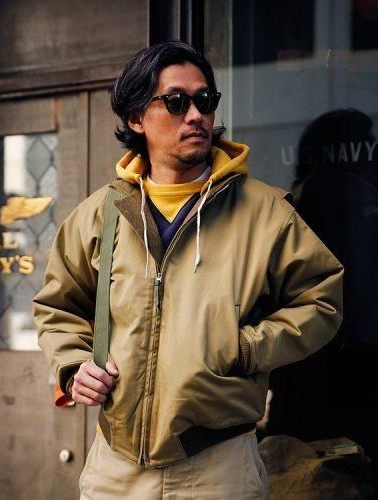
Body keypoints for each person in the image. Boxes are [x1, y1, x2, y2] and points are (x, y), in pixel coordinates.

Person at [33, 41, 344, 499]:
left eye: (205, 100)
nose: (196, 115)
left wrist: (245, 348)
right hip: (114, 469)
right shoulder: (100, 214)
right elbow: (58, 307)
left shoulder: (266, 213)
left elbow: (321, 300)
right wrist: (74, 365)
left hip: (220, 465)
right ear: (136, 118)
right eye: (176, 102)